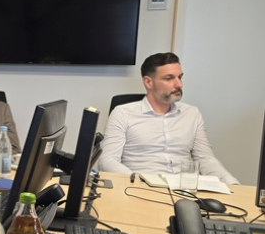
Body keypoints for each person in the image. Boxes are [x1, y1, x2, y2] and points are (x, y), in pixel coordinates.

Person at [99, 52, 238, 184]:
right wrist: (136, 181)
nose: (179, 84)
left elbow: (205, 159)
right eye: (169, 78)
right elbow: (107, 160)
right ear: (148, 82)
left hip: (184, 189)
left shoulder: (192, 114)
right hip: (141, 189)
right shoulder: (123, 113)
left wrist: (231, 183)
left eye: (180, 77)